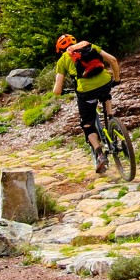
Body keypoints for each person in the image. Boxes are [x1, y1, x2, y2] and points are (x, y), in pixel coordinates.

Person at [51, 34, 120, 175]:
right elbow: (112, 59)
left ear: (61, 50)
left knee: (87, 124)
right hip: (104, 83)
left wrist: (61, 91)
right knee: (105, 92)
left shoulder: (63, 59)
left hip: (86, 92)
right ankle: (111, 117)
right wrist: (117, 79)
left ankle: (100, 154)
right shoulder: (90, 46)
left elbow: (57, 90)